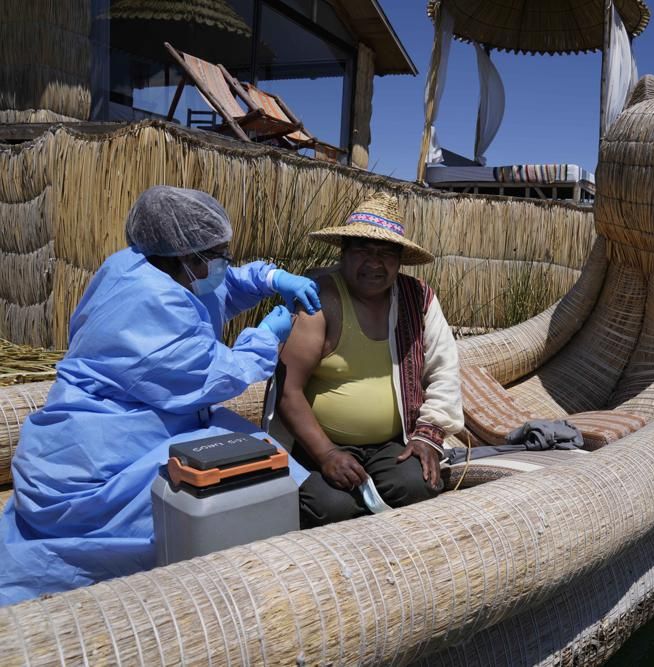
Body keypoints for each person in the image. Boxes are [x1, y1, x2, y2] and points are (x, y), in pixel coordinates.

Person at [0, 185, 320, 606]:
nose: (224, 263)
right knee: (227, 479)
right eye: (217, 254)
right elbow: (217, 375)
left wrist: (269, 279)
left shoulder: (134, 266)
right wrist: (264, 338)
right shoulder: (153, 301)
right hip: (99, 451)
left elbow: (220, 287)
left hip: (106, 423)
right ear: (187, 256)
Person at [278, 192, 463, 526]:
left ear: (399, 260)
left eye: (386, 253)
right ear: (344, 252)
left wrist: (428, 435)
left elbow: (444, 370)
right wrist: (327, 454)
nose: (374, 262)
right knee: (331, 507)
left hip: (392, 441)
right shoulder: (320, 299)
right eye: (363, 249)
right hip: (316, 441)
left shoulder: (417, 298)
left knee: (419, 485)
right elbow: (288, 391)